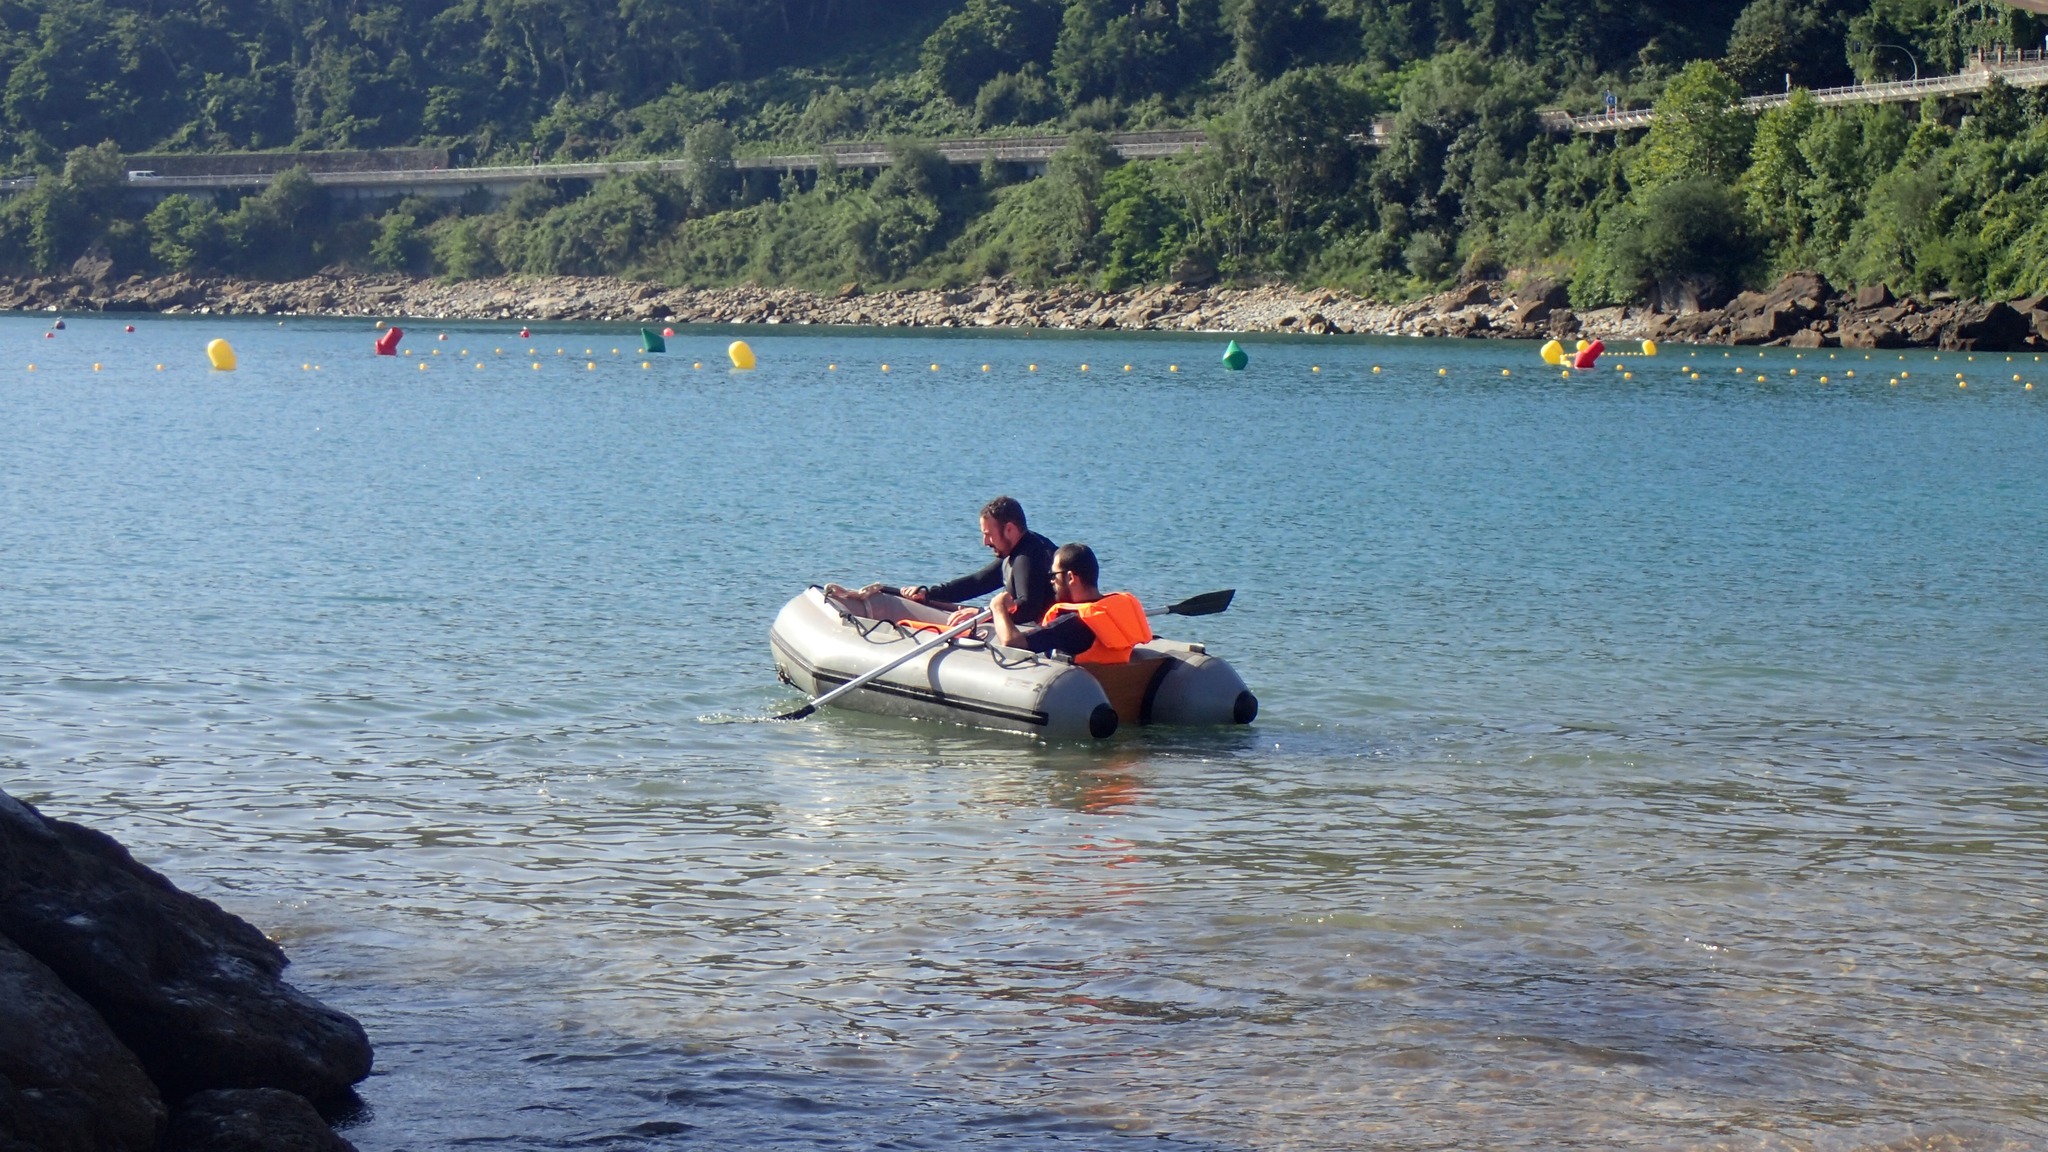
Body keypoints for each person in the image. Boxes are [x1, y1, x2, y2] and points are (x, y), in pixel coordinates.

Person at [828, 496, 1059, 625]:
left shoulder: (1026, 559)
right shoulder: (1023, 550)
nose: (985, 542)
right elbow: (978, 582)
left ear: (1009, 529)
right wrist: (929, 594)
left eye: (988, 534)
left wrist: (982, 614)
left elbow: (1028, 607)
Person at [989, 543, 1151, 665]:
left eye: (1054, 575)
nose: (1051, 581)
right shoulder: (1120, 608)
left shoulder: (1072, 623)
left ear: (1071, 577)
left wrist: (998, 608)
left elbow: (1012, 644)